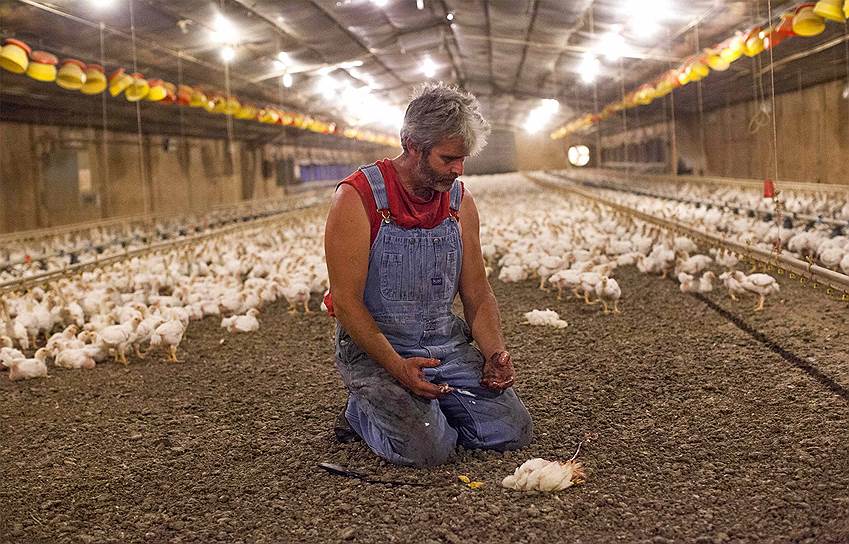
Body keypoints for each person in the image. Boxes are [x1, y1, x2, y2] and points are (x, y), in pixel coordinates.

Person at [323, 82, 532, 467]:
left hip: (444, 347)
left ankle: (424, 409)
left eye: (463, 159)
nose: (458, 169)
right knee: (428, 451)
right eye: (447, 158)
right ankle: (362, 410)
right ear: (412, 145)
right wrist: (397, 366)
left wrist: (493, 352)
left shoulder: (459, 202)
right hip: (379, 350)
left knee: (512, 432)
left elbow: (477, 293)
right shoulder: (358, 198)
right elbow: (346, 304)